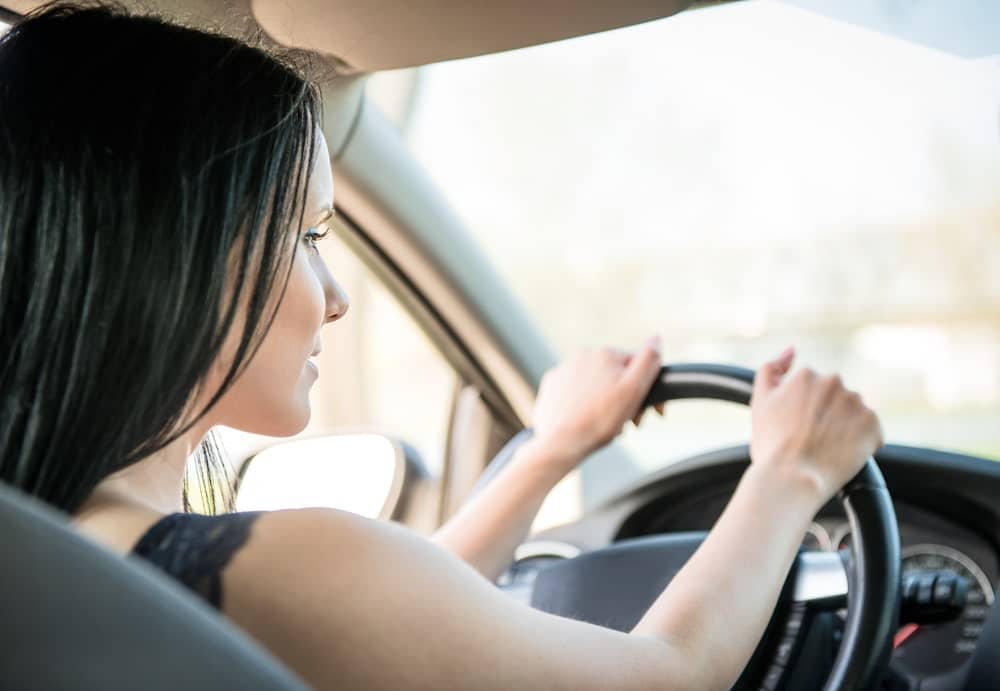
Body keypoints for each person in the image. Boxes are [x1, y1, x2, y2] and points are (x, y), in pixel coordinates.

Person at [0, 4, 883, 690]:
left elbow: (389, 612)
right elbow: (669, 675)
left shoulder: (58, 550)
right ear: (178, 252)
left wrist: (548, 451)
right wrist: (792, 472)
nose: (337, 298)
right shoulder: (241, 564)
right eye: (309, 238)